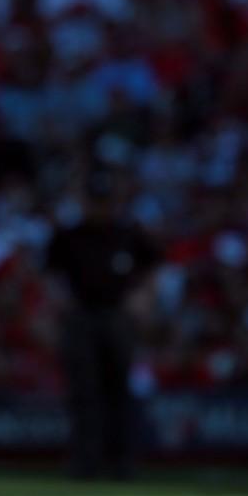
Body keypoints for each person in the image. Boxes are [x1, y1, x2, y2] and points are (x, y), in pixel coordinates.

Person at [45, 173, 162, 480]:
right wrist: (61, 303)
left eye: (104, 201)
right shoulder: (69, 236)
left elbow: (153, 269)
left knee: (119, 389)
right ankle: (85, 461)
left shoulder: (128, 234)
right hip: (81, 317)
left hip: (117, 316)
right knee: (84, 391)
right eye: (94, 201)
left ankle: (122, 461)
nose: (99, 208)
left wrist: (143, 299)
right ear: (84, 202)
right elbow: (51, 275)